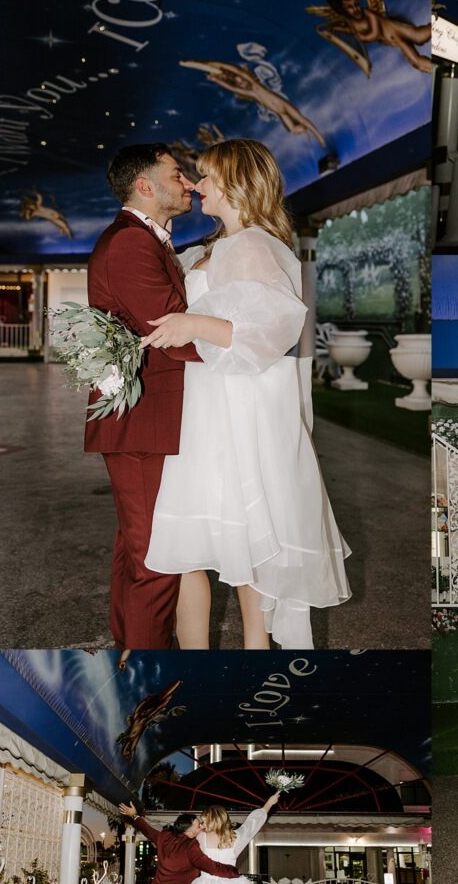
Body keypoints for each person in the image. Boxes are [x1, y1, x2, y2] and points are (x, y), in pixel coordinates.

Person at [140, 138, 351, 649]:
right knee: (206, 539)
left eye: (206, 176)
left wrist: (194, 322)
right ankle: (203, 658)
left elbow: (270, 328)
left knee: (251, 538)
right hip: (211, 400)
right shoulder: (219, 245)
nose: (197, 185)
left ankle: (257, 655)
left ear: (235, 184)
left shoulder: (254, 243)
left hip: (242, 404)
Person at [85, 144, 201, 650]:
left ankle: (128, 653)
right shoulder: (132, 244)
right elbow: (169, 330)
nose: (189, 183)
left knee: (137, 553)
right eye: (178, 175)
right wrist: (242, 342)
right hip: (143, 423)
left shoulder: (144, 240)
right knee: (158, 559)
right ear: (146, 187)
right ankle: (151, 677)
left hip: (143, 421)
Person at [118, 804, 240, 884]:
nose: (202, 826)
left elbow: (147, 830)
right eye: (199, 826)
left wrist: (134, 815)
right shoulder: (191, 848)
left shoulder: (165, 837)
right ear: (189, 832)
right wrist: (233, 871)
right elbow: (212, 867)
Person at [193, 793, 289, 884]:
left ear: (210, 820)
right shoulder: (236, 837)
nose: (202, 825)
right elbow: (252, 824)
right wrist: (268, 804)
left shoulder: (200, 837)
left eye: (203, 821)